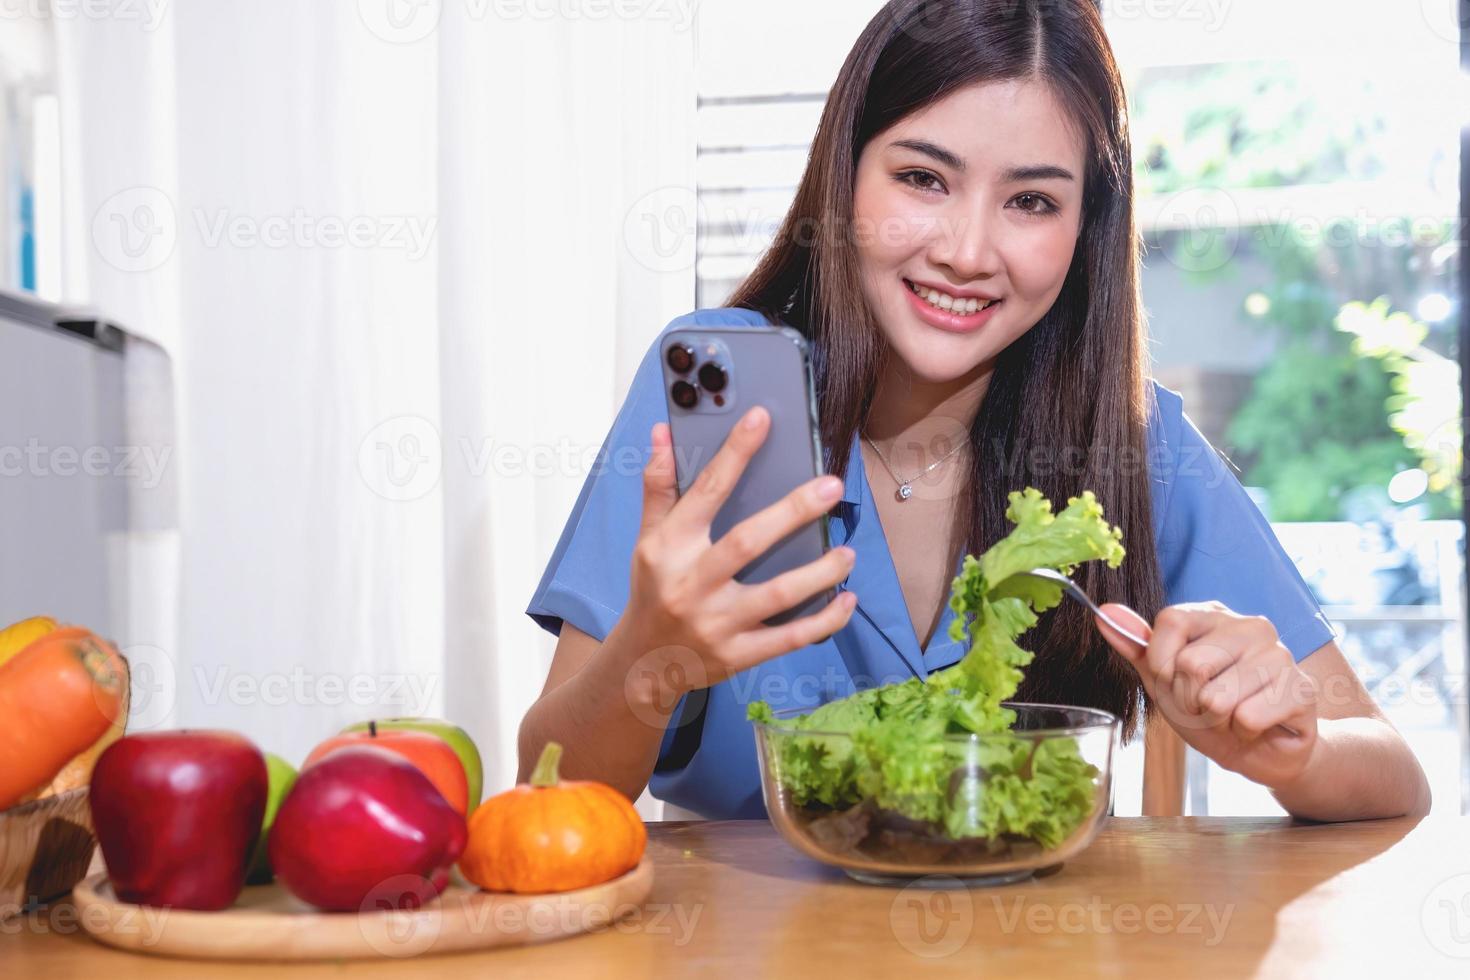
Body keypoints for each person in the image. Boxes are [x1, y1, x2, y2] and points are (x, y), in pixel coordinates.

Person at [519, 0, 1430, 822]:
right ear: (846, 177)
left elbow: (1392, 773)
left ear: (1085, 231)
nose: (966, 250)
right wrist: (651, 658)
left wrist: (1288, 747)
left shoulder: (1133, 442)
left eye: (1031, 201)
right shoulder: (715, 398)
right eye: (923, 178)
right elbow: (551, 792)